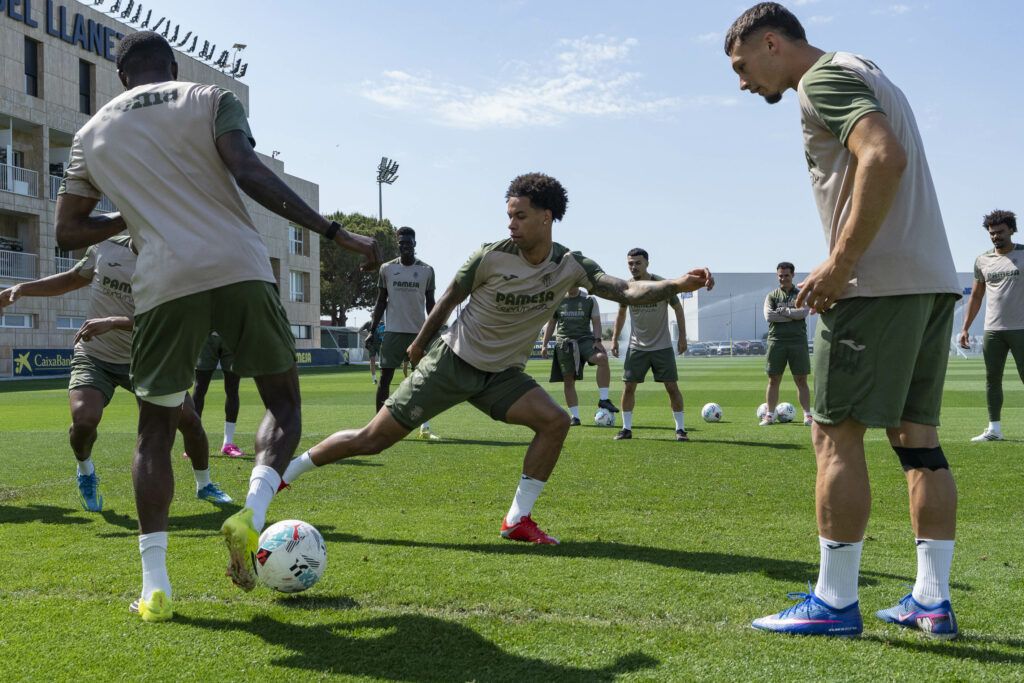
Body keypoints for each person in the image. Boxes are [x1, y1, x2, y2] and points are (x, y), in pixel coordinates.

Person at [54, 31, 380, 622]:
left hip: (162, 281)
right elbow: (248, 171)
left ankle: (156, 586)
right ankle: (252, 511)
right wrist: (333, 232)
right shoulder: (207, 96)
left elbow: (68, 233)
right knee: (282, 403)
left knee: (155, 432)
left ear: (120, 75)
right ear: (172, 66)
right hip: (239, 267)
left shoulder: (90, 135)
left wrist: (132, 211)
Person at [279, 173, 713, 546]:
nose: (511, 224)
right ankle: (285, 473)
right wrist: (418, 345)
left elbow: (627, 291)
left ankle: (517, 519)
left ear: (546, 217)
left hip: (501, 376)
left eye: (520, 215)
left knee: (555, 422)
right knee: (372, 440)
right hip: (452, 362)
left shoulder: (571, 264)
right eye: (509, 215)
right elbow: (447, 299)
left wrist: (676, 284)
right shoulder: (489, 255)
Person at [725, 2, 962, 638]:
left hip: (873, 287)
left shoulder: (821, 79)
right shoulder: (865, 68)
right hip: (931, 280)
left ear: (771, 43)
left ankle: (833, 602)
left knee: (833, 436)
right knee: (919, 441)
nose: (742, 83)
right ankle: (931, 600)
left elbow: (882, 155)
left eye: (742, 67)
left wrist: (840, 262)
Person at [0, 237, 233, 511]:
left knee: (190, 421)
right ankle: (86, 471)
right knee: (84, 421)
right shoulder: (105, 245)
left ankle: (204, 484)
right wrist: (22, 288)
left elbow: (169, 319)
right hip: (96, 354)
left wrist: (113, 322)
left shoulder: (174, 260)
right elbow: (73, 278)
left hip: (149, 359)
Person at [368, 226, 440, 440]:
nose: (405, 246)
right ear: (397, 244)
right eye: (402, 243)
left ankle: (424, 426)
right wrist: (372, 330)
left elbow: (431, 304)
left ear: (415, 244)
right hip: (393, 332)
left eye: (409, 243)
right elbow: (380, 301)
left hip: (419, 334)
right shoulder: (387, 269)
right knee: (385, 378)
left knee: (424, 380)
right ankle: (378, 426)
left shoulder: (427, 270)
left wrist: (435, 330)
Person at [610, 249, 689, 442]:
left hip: (662, 346)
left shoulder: (661, 285)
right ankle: (626, 429)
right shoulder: (626, 287)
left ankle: (680, 430)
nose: (633, 267)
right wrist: (614, 338)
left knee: (672, 387)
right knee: (628, 387)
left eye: (638, 263)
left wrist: (682, 337)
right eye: (630, 263)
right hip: (636, 347)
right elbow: (621, 313)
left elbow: (678, 308)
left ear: (647, 263)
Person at [959, 209, 1024, 442]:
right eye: (992, 233)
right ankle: (994, 429)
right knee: (992, 379)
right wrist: (965, 328)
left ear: (1012, 230)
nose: (996, 236)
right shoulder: (982, 260)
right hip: (993, 331)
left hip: (1021, 329)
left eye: (1000, 232)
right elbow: (976, 297)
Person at [540, 286, 619, 425]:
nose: (571, 286)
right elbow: (552, 323)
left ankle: (604, 399)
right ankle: (575, 417)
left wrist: (598, 340)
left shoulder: (589, 299)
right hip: (564, 343)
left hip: (585, 340)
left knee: (602, 359)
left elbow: (596, 321)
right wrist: (544, 344)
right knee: (568, 380)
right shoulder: (557, 299)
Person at [761, 261, 813, 426]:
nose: (783, 278)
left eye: (786, 275)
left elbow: (803, 313)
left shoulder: (801, 294)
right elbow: (769, 316)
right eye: (780, 276)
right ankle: (769, 415)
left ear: (793, 275)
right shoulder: (772, 296)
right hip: (776, 341)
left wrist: (785, 311)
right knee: (773, 379)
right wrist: (792, 315)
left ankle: (808, 415)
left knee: (801, 380)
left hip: (798, 341)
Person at [192, 332, 246, 457]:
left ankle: (228, 443)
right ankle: (193, 443)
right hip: (207, 337)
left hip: (232, 337)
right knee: (199, 388)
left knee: (232, 389)